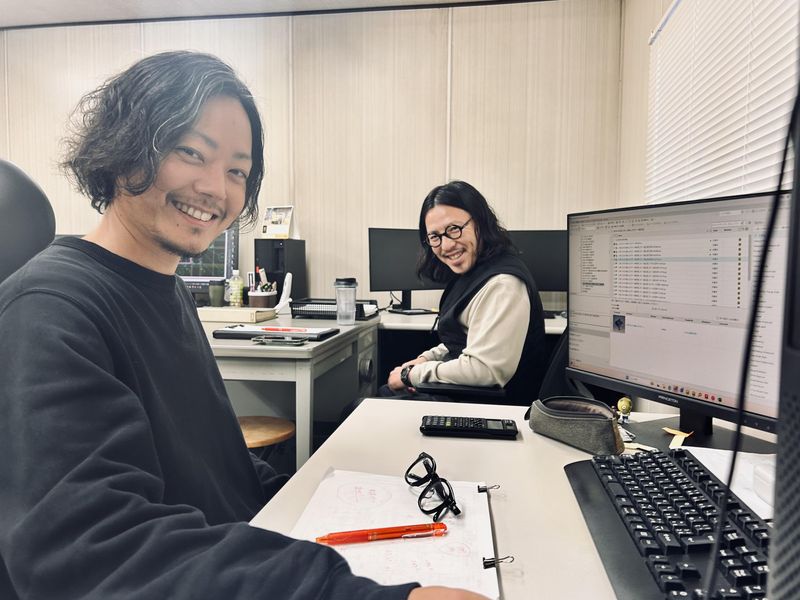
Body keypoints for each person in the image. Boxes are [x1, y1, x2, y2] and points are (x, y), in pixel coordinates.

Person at [0, 51, 486, 600]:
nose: (217, 188)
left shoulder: (165, 290)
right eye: (191, 152)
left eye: (237, 171)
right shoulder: (49, 308)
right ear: (122, 147)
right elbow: (90, 554)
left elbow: (213, 468)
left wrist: (321, 495)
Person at [386, 181, 547, 405]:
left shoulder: (502, 285)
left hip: (490, 408)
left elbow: (483, 370)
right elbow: (464, 340)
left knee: (361, 408)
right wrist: (425, 359)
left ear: (480, 222)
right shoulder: (474, 272)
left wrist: (411, 375)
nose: (446, 246)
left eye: (454, 229)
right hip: (464, 395)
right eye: (435, 237)